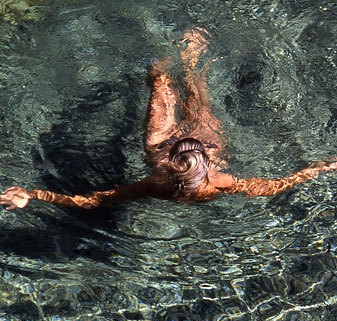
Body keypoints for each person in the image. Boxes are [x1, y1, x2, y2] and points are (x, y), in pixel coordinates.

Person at [0, 28, 336, 211]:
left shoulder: (156, 184)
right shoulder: (218, 182)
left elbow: (92, 200)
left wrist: (33, 194)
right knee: (199, 100)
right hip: (196, 145)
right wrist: (321, 168)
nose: (182, 140)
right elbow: (277, 185)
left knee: (160, 85)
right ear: (206, 164)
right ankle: (191, 64)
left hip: (157, 143)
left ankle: (173, 59)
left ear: (172, 160)